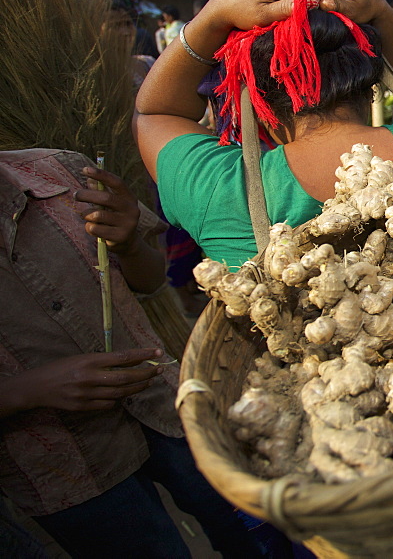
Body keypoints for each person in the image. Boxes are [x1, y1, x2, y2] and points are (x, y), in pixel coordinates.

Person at [0, 149, 263, 557]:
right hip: (63, 469)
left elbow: (151, 278)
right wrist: (25, 391)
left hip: (165, 407)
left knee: (249, 530)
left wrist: (128, 245)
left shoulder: (61, 171)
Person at [134, 0, 393, 269]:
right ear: (370, 86)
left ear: (262, 104)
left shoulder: (220, 189)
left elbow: (156, 113)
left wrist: (212, 17)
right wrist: (379, 9)